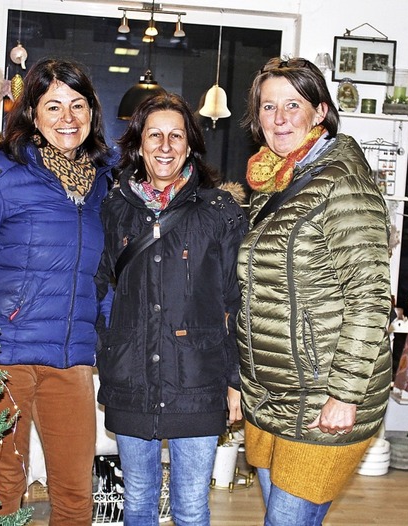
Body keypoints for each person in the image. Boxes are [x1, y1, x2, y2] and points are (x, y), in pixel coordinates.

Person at [0, 58, 116, 524]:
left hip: (70, 359)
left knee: (74, 492)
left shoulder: (104, 183)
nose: (67, 118)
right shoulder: (0, 172)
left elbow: (102, 271)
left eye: (77, 105)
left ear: (92, 112)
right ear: (32, 113)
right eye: (53, 106)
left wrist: (102, 332)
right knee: (2, 489)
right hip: (4, 356)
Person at [237, 57, 392, 526]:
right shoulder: (272, 182)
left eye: (293, 105)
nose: (279, 118)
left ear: (319, 112)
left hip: (324, 398)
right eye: (268, 106)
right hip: (271, 395)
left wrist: (344, 395)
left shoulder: (341, 181)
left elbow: (369, 296)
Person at [95, 92, 247, 526]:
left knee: (191, 506)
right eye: (154, 135)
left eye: (175, 136)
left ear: (190, 145)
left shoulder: (220, 212)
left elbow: (238, 301)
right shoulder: (115, 209)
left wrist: (235, 381)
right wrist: (106, 348)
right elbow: (98, 285)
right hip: (131, 377)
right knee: (139, 502)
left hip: (198, 380)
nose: (165, 145)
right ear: (138, 145)